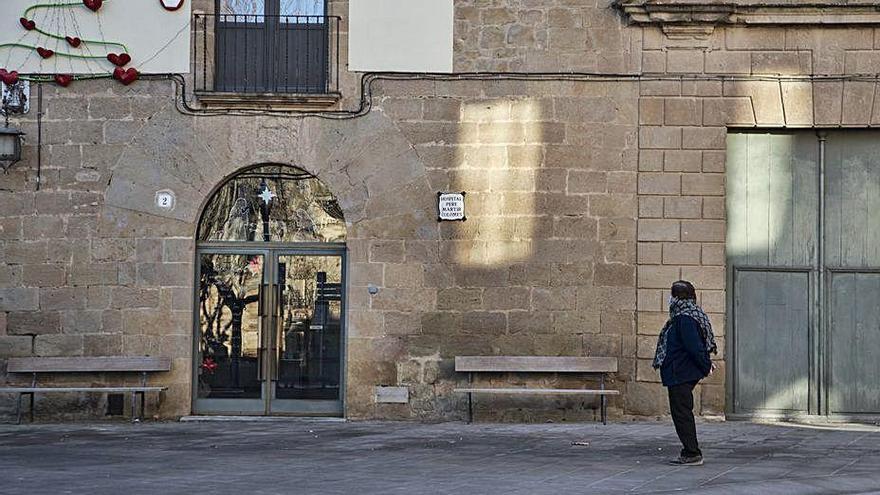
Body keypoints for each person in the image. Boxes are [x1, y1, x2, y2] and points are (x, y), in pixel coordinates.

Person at [652, 280, 718, 466]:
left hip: (680, 372)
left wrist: (705, 365)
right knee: (682, 411)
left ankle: (692, 453)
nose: (669, 300)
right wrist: (706, 364)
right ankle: (690, 451)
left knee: (682, 413)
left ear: (676, 297)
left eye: (671, 295)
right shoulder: (690, 315)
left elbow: (694, 347)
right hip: (681, 370)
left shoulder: (684, 318)